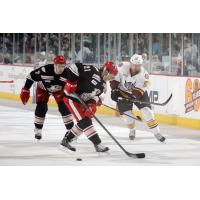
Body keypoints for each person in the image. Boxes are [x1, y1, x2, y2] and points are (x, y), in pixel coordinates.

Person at [60, 61, 118, 152]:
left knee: (84, 122)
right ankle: (98, 144)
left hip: (81, 102)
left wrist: (92, 104)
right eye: (112, 75)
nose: (112, 78)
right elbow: (74, 67)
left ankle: (66, 140)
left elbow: (95, 96)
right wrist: (71, 82)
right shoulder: (92, 70)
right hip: (71, 98)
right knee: (85, 121)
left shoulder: (103, 86)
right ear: (106, 71)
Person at [110, 54, 166, 142]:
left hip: (139, 93)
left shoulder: (144, 75)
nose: (136, 67)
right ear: (130, 63)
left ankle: (157, 133)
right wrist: (114, 90)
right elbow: (115, 79)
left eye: (138, 65)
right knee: (128, 117)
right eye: (134, 65)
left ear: (141, 65)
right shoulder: (122, 66)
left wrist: (133, 96)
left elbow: (140, 91)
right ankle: (132, 130)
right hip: (123, 92)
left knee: (147, 112)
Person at [20, 55, 74, 140]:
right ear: (54, 65)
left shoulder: (67, 73)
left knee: (64, 107)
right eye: (59, 66)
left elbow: (74, 85)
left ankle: (71, 130)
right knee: (42, 107)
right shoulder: (44, 70)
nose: (61, 68)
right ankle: (38, 128)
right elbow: (30, 76)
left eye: (63, 66)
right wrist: (25, 89)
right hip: (43, 89)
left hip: (58, 90)